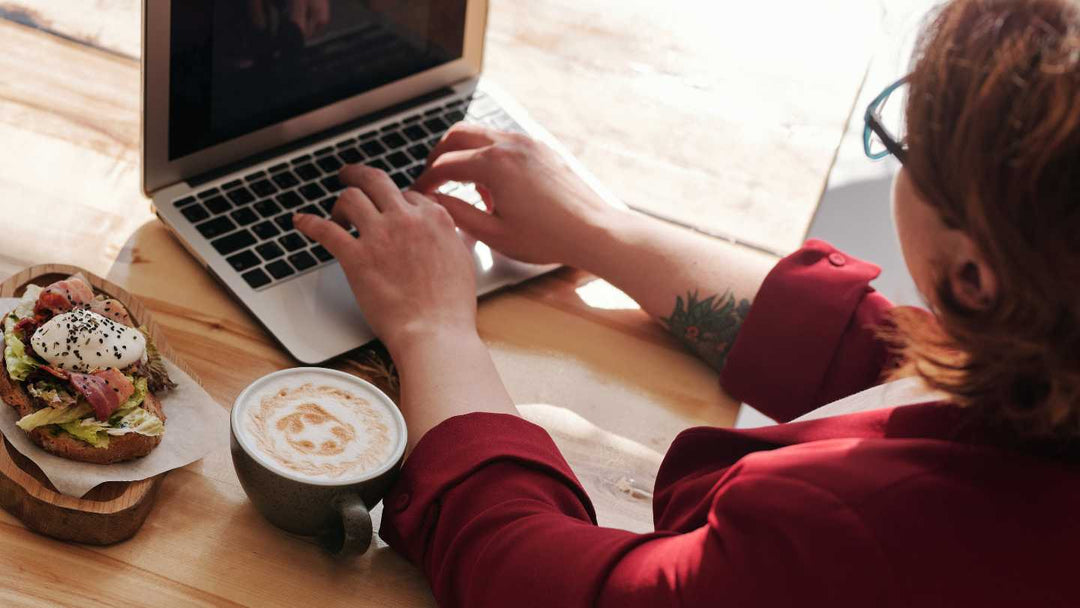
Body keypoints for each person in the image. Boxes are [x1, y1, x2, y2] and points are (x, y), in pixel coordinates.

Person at [293, 0, 1080, 605]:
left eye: (910, 134)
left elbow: (546, 583)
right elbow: (899, 370)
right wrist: (598, 230)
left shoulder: (856, 532)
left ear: (975, 277)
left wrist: (432, 327)